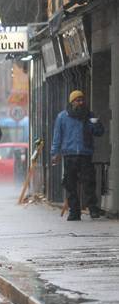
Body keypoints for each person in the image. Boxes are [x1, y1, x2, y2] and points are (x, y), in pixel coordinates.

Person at [51, 90, 105, 221]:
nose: (80, 102)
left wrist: (96, 123)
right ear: (72, 101)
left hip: (85, 153)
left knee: (89, 183)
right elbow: (57, 136)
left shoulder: (89, 116)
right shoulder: (62, 117)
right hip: (69, 155)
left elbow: (99, 132)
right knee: (70, 184)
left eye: (82, 100)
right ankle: (74, 211)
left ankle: (92, 209)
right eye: (77, 100)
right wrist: (55, 153)